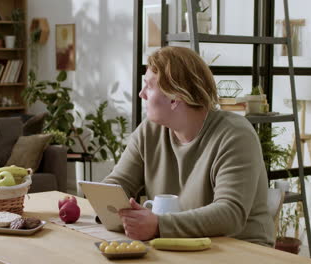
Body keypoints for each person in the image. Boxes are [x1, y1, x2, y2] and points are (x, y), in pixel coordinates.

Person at [102, 46, 274, 247]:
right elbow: (119, 183)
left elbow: (230, 213)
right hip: (176, 247)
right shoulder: (150, 131)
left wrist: (159, 225)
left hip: (239, 250)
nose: (142, 94)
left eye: (149, 86)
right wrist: (102, 201)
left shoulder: (235, 134)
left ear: (175, 96)